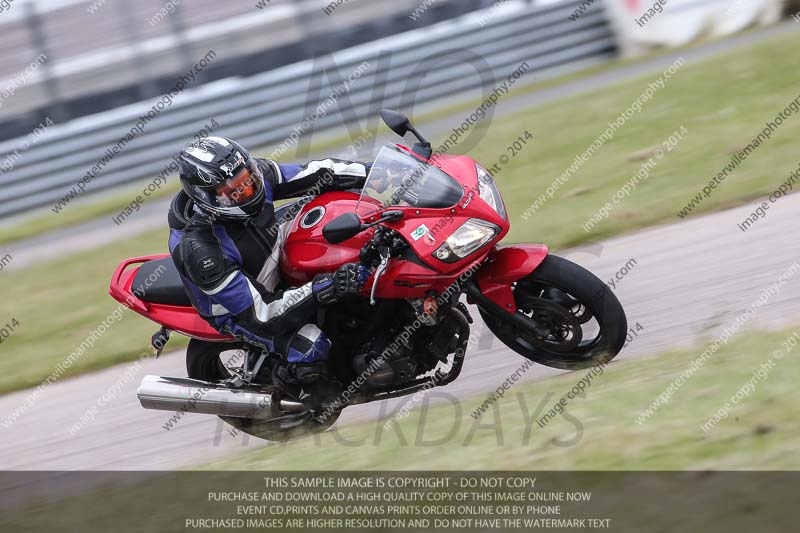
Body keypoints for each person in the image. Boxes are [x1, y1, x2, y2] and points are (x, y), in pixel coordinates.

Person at [167, 136, 370, 407]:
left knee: (337, 214)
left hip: (269, 249)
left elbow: (318, 173)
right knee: (311, 346)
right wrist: (326, 287)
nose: (248, 191)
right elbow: (262, 313)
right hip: (241, 308)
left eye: (248, 181)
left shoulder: (253, 177)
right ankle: (303, 398)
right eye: (235, 192)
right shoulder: (202, 250)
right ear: (206, 197)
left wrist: (373, 171)